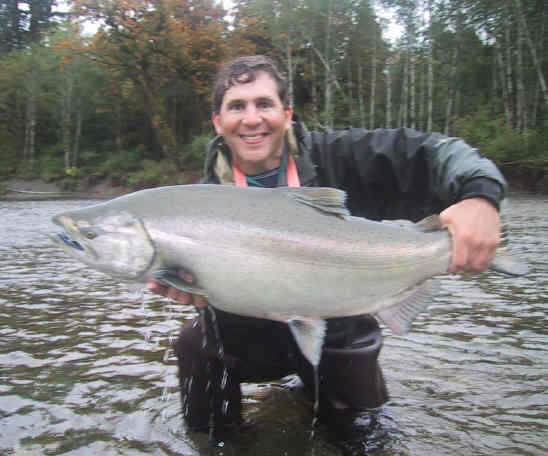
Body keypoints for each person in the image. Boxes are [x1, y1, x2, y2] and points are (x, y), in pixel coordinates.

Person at [147, 55, 506, 433]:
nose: (251, 119)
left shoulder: (340, 155)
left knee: (362, 438)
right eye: (237, 106)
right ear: (218, 122)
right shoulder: (198, 205)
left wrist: (479, 198)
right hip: (249, 331)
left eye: (264, 104)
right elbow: (193, 286)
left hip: (341, 326)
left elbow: (436, 151)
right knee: (194, 343)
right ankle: (219, 441)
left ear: (287, 114)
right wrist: (191, 287)